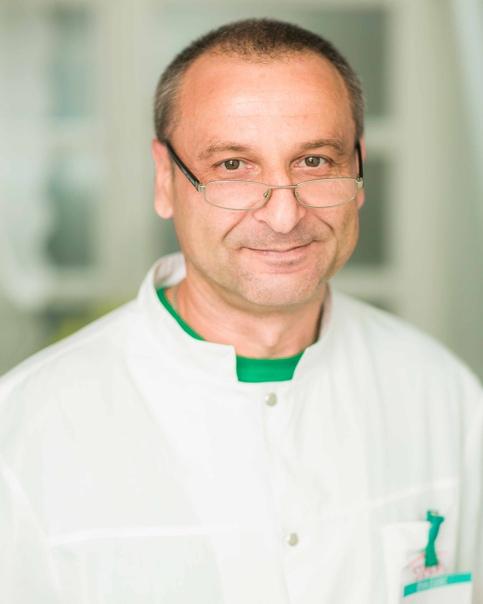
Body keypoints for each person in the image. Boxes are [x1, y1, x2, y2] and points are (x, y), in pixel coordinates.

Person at [0, 18, 481, 604]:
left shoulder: (443, 394)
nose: (284, 216)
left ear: (357, 171)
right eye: (233, 166)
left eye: (314, 161)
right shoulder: (24, 432)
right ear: (165, 179)